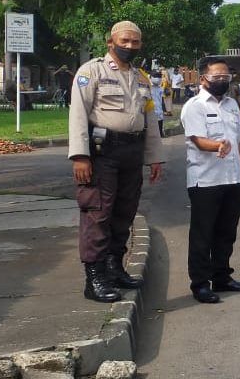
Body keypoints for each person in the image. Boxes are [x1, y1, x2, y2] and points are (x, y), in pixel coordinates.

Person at [68, 21, 164, 303]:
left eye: (136, 42)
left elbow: (149, 119)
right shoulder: (91, 71)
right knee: (98, 213)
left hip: (132, 152)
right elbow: (78, 114)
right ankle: (94, 278)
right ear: (111, 42)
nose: (130, 46)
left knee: (124, 213)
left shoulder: (141, 78)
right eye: (125, 41)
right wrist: (80, 156)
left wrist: (155, 157)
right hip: (102, 153)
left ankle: (114, 268)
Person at [180, 58, 240, 304]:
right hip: (205, 181)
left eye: (226, 77)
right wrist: (217, 145)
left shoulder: (232, 105)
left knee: (226, 233)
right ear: (203, 79)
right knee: (203, 235)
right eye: (217, 78)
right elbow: (198, 140)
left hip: (231, 179)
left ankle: (222, 277)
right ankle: (200, 284)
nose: (223, 81)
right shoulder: (194, 106)